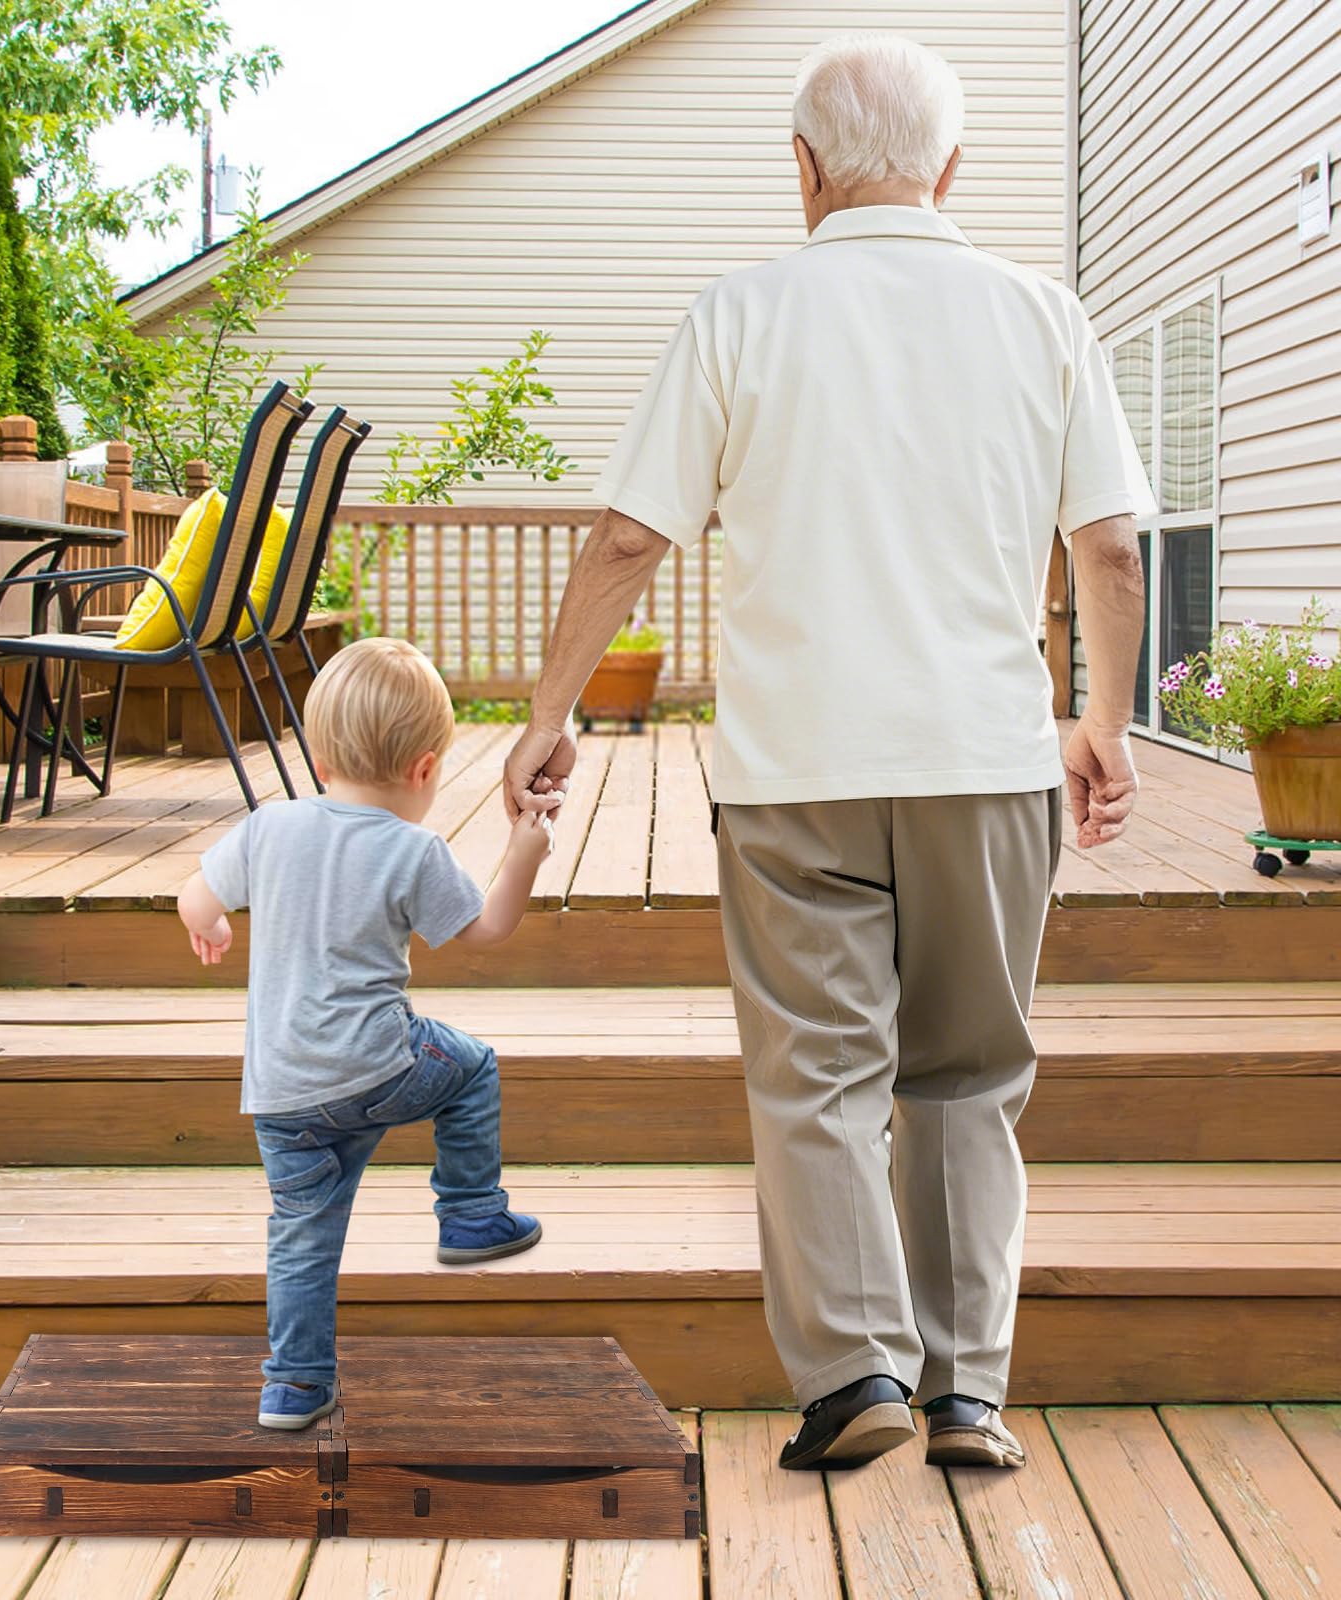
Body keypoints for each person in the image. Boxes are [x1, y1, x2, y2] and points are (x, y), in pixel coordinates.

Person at [504, 34, 1150, 1470]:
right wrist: (1102, 725)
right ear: (952, 169)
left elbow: (626, 536)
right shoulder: (1044, 319)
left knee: (816, 1077)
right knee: (968, 1080)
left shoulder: (739, 316)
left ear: (802, 168)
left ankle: (857, 1378)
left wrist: (547, 715)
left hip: (797, 776)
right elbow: (1107, 542)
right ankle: (969, 1393)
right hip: (985, 764)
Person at [179, 636, 555, 1430]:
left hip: (280, 1093)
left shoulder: (268, 827)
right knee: (473, 1065)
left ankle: (294, 1385)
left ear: (319, 758)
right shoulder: (413, 849)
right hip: (382, 1069)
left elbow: (193, 900)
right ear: (424, 769)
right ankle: (471, 1213)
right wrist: (525, 851)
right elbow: (485, 932)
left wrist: (212, 924)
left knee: (302, 1234)